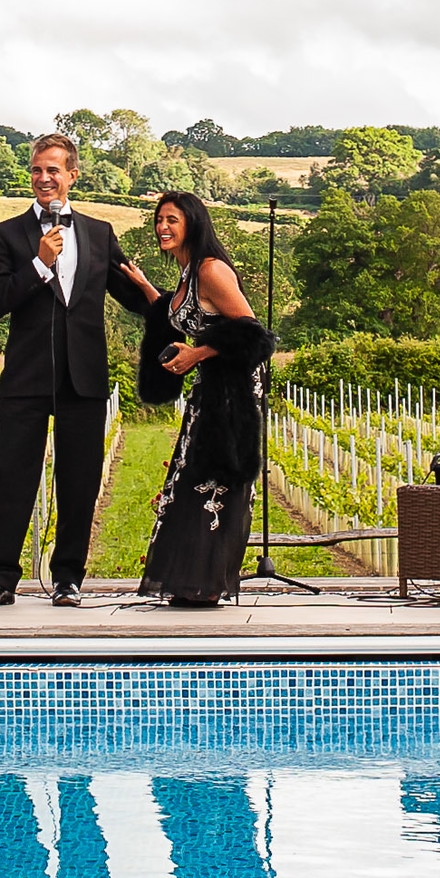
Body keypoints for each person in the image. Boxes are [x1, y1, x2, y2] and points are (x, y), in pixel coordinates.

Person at [0, 135, 163, 609]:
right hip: (25, 377)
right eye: (37, 170)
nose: (43, 178)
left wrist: (169, 295)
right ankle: (0, 580)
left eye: (53, 170)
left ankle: (69, 579)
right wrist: (40, 264)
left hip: (85, 377)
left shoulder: (99, 233)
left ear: (72, 175)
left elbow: (134, 299)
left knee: (80, 481)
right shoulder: (5, 235)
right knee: (11, 478)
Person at [135, 191, 273, 608]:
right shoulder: (185, 274)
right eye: (159, 219)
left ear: (192, 224)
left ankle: (208, 584)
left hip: (233, 390)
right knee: (189, 476)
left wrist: (197, 353)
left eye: (172, 220)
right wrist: (144, 287)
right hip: (208, 387)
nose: (163, 227)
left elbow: (254, 334)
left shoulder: (211, 270)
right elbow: (177, 313)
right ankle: (192, 581)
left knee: (217, 478)